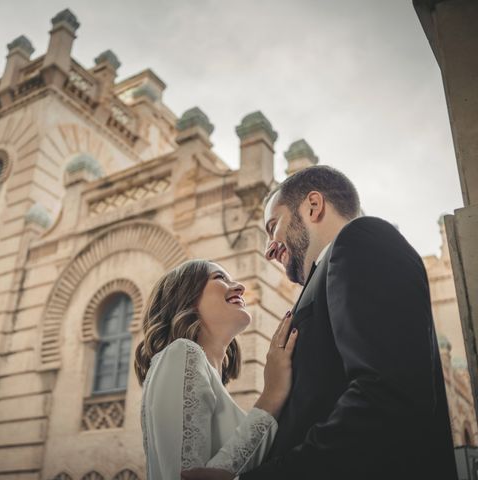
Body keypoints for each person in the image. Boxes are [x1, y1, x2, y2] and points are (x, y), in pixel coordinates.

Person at [183, 165, 457, 480]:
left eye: (274, 227)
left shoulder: (362, 239)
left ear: (313, 206)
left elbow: (386, 397)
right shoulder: (333, 269)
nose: (270, 249)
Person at [134, 259, 299, 480]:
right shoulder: (182, 352)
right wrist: (272, 394)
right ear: (186, 297)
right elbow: (188, 476)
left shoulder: (202, 373)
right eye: (220, 277)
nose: (240, 287)